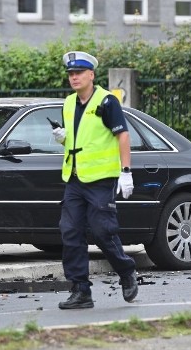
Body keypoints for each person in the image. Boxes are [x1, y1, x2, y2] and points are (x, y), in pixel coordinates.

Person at [52, 51, 138, 309]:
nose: (74, 77)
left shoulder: (107, 101)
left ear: (91, 75)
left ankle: (126, 271)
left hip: (101, 179)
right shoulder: (68, 103)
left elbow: (122, 136)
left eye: (78, 73)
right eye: (70, 74)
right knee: (70, 232)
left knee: (102, 231)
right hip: (75, 178)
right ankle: (81, 290)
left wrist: (126, 171)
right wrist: (63, 137)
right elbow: (79, 140)